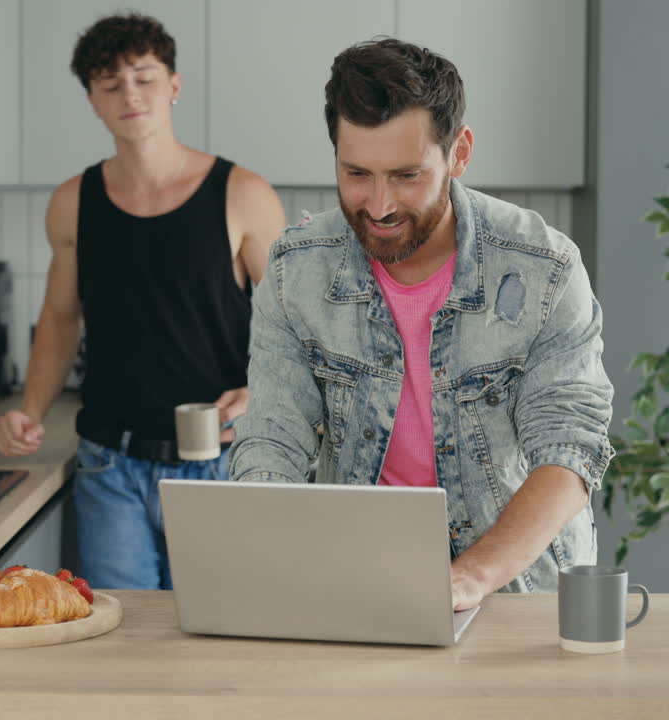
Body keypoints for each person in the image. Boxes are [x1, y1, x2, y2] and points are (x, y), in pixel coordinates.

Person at [230, 38, 614, 610]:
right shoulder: (295, 270)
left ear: (459, 153)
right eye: (356, 173)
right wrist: (267, 558)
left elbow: (569, 449)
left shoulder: (544, 268)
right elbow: (272, 437)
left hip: (516, 592)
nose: (379, 205)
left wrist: (468, 578)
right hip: (355, 585)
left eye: (406, 175)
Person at [0, 13, 286, 590]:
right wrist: (30, 411)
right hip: (109, 464)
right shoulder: (72, 202)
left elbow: (294, 325)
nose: (130, 95)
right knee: (120, 633)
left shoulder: (242, 195)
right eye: (111, 84)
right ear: (93, 102)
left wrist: (263, 393)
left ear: (173, 85)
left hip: (219, 464)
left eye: (144, 78)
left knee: (217, 627)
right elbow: (60, 318)